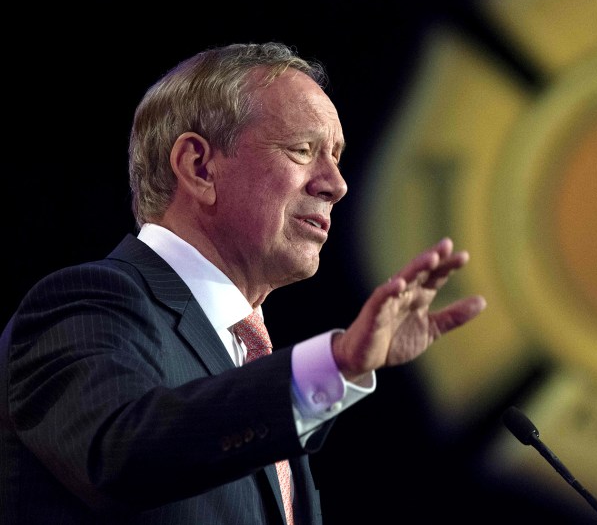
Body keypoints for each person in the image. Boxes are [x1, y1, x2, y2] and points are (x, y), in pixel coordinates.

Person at [0, 42, 487, 524]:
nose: (336, 185)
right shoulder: (89, 304)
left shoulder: (247, 353)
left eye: (336, 157)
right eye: (303, 150)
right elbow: (122, 454)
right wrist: (335, 365)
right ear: (199, 167)